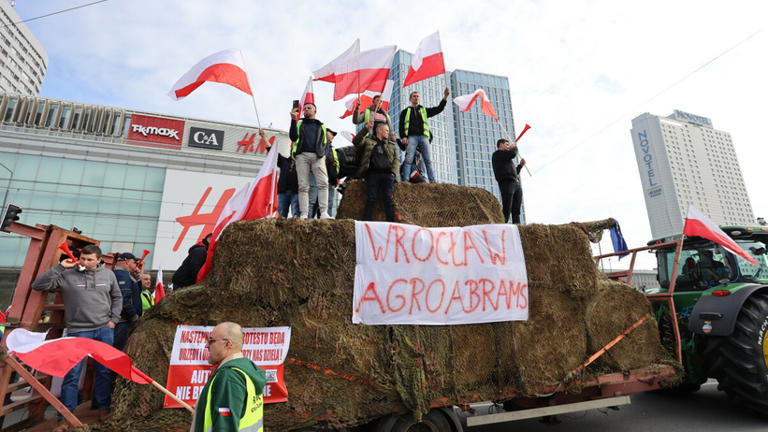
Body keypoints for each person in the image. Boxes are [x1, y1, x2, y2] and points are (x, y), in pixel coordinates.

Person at [31, 244, 121, 428]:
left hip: (104, 329)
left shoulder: (109, 275)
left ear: (98, 260)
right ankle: (64, 418)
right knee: (72, 374)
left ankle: (103, 408)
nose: (85, 263)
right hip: (78, 331)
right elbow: (38, 285)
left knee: (104, 371)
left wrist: (113, 320)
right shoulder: (66, 275)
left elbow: (117, 297)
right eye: (83, 259)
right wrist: (60, 267)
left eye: (89, 260)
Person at [191, 322, 266, 432]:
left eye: (211, 340)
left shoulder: (230, 376)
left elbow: (225, 426)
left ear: (228, 344)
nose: (207, 345)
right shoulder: (245, 369)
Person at [289, 102, 331, 219]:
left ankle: (323, 212)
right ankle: (304, 214)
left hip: (318, 156)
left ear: (315, 111)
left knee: (323, 183)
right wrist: (293, 120)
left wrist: (325, 154)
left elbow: (326, 143)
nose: (306, 110)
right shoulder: (299, 124)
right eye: (305, 108)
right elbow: (293, 137)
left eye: (309, 108)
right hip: (302, 156)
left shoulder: (321, 126)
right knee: (303, 186)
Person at [398, 88, 449, 183]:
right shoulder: (405, 112)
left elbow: (438, 109)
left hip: (424, 137)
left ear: (419, 99)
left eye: (417, 96)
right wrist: (403, 137)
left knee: (428, 160)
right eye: (414, 96)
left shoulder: (424, 110)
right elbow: (401, 125)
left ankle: (432, 181)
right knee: (408, 159)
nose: (416, 98)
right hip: (411, 137)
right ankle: (405, 180)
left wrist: (445, 97)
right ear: (410, 99)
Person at [353, 120, 400, 221]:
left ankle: (391, 223)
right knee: (371, 198)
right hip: (372, 174)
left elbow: (396, 160)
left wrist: (393, 173)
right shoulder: (369, 141)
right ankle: (367, 222)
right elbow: (356, 142)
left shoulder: (391, 145)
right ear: (379, 130)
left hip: (388, 175)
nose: (388, 132)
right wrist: (366, 129)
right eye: (386, 130)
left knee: (388, 199)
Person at [261, 129, 298, 217]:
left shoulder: (303, 163)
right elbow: (271, 151)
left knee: (296, 215)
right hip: (283, 192)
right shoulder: (283, 161)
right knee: (281, 216)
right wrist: (264, 138)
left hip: (297, 191)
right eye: (292, 149)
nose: (293, 151)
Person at [492, 138, 526, 224]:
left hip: (515, 183)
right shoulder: (497, 154)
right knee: (507, 208)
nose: (508, 146)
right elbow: (512, 153)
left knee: (516, 211)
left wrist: (520, 166)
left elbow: (514, 172)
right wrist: (514, 147)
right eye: (507, 144)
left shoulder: (507, 159)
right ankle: (502, 226)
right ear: (501, 144)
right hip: (506, 183)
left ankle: (518, 228)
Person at [113, 253, 142, 351]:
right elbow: (124, 299)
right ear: (127, 262)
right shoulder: (122, 275)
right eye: (134, 263)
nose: (136, 266)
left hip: (122, 320)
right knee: (118, 351)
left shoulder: (125, 275)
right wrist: (133, 316)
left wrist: (137, 278)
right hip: (123, 321)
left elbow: (135, 293)